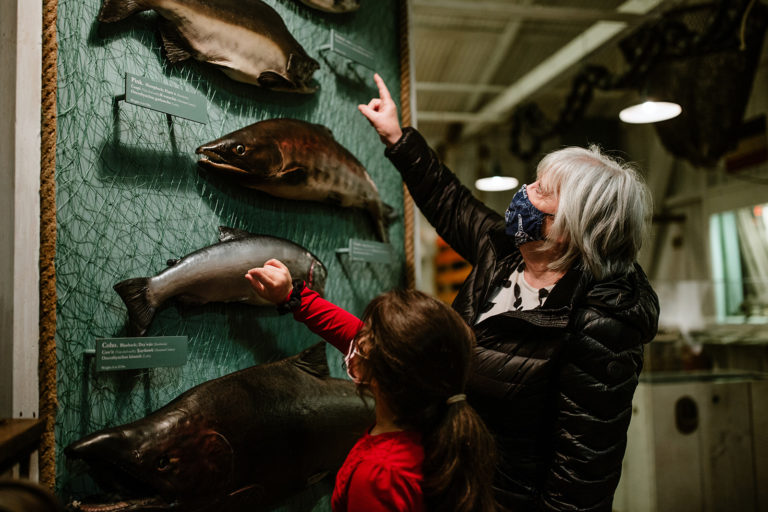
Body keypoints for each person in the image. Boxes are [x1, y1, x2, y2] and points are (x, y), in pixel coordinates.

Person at [357, 73, 660, 511]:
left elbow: (583, 472)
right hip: (457, 484)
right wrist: (399, 138)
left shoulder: (601, 320)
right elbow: (450, 201)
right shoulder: (503, 252)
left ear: (572, 226)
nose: (523, 192)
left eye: (540, 191)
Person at [245, 259, 497, 512]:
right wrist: (292, 296)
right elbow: (361, 337)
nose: (359, 341)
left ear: (383, 371)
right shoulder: (443, 430)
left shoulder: (378, 478)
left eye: (368, 339)